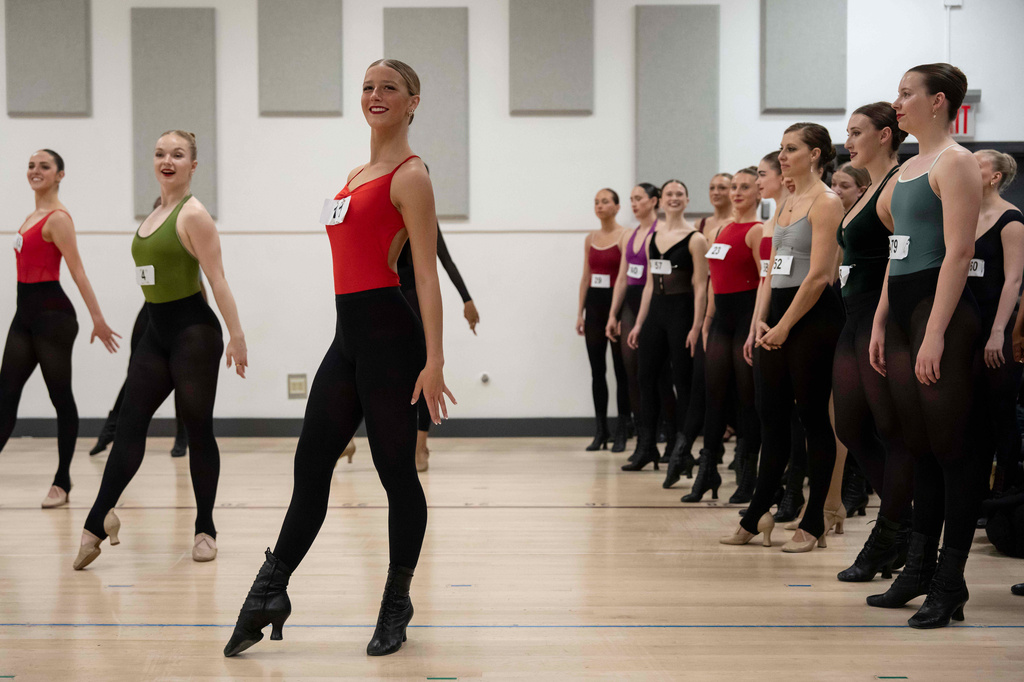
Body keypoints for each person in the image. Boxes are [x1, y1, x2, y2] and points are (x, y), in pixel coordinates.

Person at [224, 59, 454, 658]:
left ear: (413, 102)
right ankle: (270, 590)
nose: (376, 95)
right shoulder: (355, 174)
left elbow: (425, 276)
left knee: (395, 472)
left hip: (391, 340)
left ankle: (396, 600)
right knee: (310, 464)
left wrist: (434, 360)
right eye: (368, 87)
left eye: (389, 88)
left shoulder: (411, 176)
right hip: (347, 337)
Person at [74, 130, 248, 569]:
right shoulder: (155, 213)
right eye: (160, 154)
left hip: (194, 334)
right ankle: (97, 521)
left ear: (193, 165)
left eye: (178, 154)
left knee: (198, 429)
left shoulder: (194, 215)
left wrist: (236, 334)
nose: (167, 160)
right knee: (129, 426)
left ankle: (205, 528)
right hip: (155, 333)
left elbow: (217, 278)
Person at [866, 64, 985, 629]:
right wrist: (880, 320)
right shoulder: (908, 166)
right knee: (917, 446)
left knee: (951, 449)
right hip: (903, 311)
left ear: (938, 102)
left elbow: (959, 252)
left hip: (939, 313)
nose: (897, 102)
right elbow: (898, 251)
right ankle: (917, 568)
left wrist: (935, 331)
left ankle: (950, 581)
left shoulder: (955, 162)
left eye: (906, 93)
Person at [721, 123, 844, 551]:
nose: (783, 156)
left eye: (791, 149)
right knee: (770, 418)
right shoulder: (788, 201)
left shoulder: (827, 202)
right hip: (776, 316)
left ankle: (815, 521)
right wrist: (761, 319)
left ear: (815, 154)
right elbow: (770, 270)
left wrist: (786, 324)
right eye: (782, 148)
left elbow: (820, 275)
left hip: (812, 319)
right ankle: (757, 515)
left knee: (812, 418)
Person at [0, 149, 120, 508]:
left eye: (44, 166)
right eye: (31, 166)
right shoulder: (31, 216)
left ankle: (62, 481)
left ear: (60, 175)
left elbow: (77, 269)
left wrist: (98, 319)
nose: (35, 171)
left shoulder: (58, 219)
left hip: (53, 318)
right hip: (24, 317)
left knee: (60, 397)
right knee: (5, 395)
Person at [832, 102, 915, 582]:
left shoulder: (897, 184)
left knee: (890, 430)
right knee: (850, 426)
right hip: (854, 318)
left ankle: (892, 535)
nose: (848, 141)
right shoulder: (867, 191)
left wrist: (882, 320)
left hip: (879, 319)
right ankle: (901, 524)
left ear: (885, 135)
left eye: (856, 132)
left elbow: (896, 259)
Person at [677, 169, 762, 501]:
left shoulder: (757, 230)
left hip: (746, 317)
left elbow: (764, 282)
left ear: (759, 192)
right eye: (734, 187)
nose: (737, 192)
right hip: (720, 320)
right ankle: (707, 470)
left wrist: (756, 324)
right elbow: (714, 279)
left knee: (746, 399)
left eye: (744, 187)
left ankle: (748, 475)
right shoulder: (719, 230)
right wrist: (706, 320)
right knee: (713, 396)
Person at [623, 180, 708, 473]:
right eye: (669, 193)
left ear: (687, 200)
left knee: (682, 381)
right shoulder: (653, 237)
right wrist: (639, 323)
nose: (674, 198)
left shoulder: (695, 238)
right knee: (645, 378)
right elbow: (649, 284)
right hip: (656, 314)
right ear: (661, 200)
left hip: (682, 313)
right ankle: (647, 446)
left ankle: (681, 449)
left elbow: (700, 286)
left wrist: (696, 326)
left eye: (679, 194)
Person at [397, 208, 478, 470]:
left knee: (424, 370)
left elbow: (446, 260)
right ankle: (351, 438)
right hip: (388, 299)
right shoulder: (386, 213)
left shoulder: (422, 215)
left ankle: (420, 445)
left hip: (415, 301)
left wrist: (467, 299)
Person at [606, 184, 674, 460]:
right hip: (631, 304)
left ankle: (670, 439)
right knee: (633, 373)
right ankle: (644, 440)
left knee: (661, 376)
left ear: (654, 201)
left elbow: (660, 276)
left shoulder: (662, 231)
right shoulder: (630, 235)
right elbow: (622, 278)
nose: (634, 203)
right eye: (631, 199)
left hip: (654, 303)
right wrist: (613, 314)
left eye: (639, 199)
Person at [970, 150, 1023, 495]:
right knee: (972, 415)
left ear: (995, 177)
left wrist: (998, 331)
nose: (968, 167)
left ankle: (1005, 494)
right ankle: (975, 495)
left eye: (977, 164)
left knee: (1000, 412)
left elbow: (1013, 280)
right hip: (967, 324)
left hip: (996, 325)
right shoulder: (963, 214)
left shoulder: (1011, 219)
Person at [576, 189, 629, 452]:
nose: (599, 206)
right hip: (594, 308)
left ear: (617, 207)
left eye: (605, 201)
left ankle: (623, 430)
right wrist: (580, 313)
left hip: (617, 308)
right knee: (597, 371)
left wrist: (617, 315)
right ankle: (601, 431)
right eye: (596, 202)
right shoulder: (590, 238)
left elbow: (625, 277)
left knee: (621, 371)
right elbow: (586, 277)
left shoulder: (625, 236)